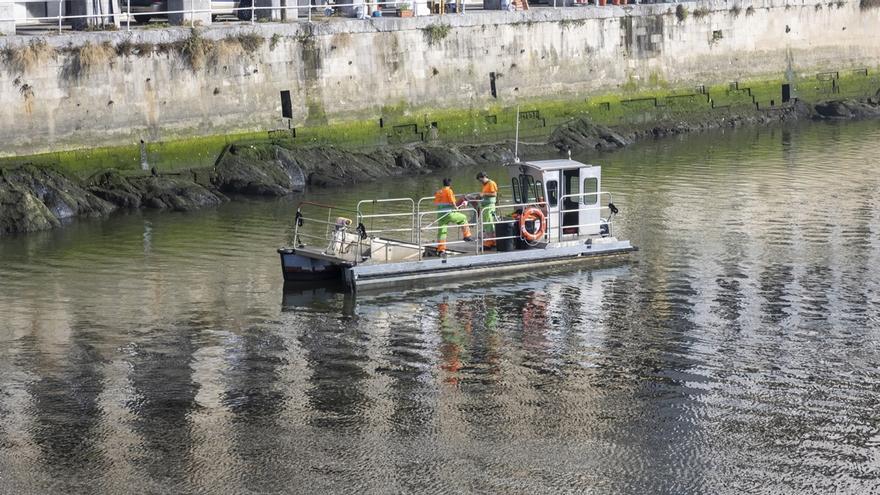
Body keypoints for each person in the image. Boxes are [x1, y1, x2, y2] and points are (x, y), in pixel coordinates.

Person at [433, 178, 473, 254]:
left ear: (443, 183)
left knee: (442, 232)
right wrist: (458, 206)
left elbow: (436, 203)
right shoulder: (449, 191)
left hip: (440, 215)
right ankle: (467, 235)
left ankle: (441, 249)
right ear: (450, 184)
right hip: (449, 214)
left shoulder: (438, 192)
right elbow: (453, 203)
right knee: (463, 218)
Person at [476, 171, 498, 248]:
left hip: (489, 206)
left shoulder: (491, 183)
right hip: (485, 206)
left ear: (484, 177)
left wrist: (483, 194)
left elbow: (494, 194)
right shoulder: (485, 185)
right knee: (486, 223)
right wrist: (480, 196)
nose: (481, 182)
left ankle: (491, 241)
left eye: (481, 180)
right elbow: (485, 194)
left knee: (489, 223)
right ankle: (491, 240)